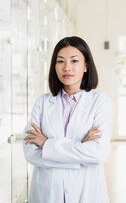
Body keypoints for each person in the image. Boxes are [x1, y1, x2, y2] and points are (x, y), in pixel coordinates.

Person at [23, 36, 112, 203]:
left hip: (86, 191)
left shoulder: (100, 102)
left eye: (74, 61)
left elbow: (98, 154)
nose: (67, 68)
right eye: (60, 61)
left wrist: (46, 144)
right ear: (54, 66)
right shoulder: (42, 102)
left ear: (86, 66)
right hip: (47, 193)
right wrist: (80, 151)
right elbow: (30, 153)